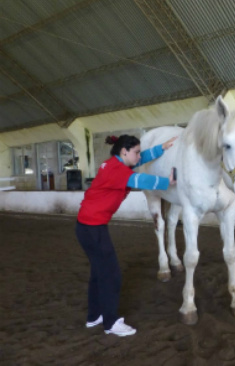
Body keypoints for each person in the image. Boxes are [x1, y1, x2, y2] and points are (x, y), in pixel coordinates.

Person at [76, 134, 177, 337]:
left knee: (98, 274)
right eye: (136, 152)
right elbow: (140, 179)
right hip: (93, 229)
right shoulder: (117, 170)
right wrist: (168, 182)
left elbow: (140, 160)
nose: (140, 156)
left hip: (87, 227)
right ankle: (111, 322)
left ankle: (94, 316)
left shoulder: (114, 163)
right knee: (111, 275)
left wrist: (161, 148)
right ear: (124, 152)